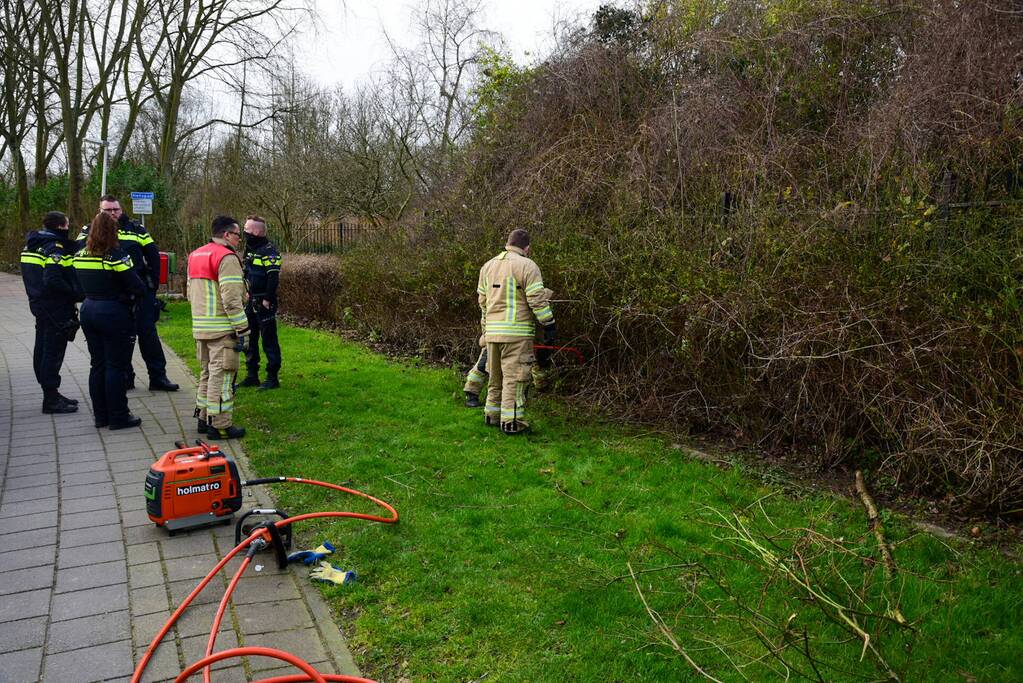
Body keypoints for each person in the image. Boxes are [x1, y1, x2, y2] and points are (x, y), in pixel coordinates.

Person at [78, 195, 178, 392]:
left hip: (139, 290)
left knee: (148, 334)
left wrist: (152, 287)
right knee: (121, 338)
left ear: (121, 209)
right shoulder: (89, 230)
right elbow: (79, 253)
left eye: (116, 209)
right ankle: (125, 377)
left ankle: (158, 377)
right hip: (112, 294)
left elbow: (153, 256)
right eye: (108, 210)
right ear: (100, 211)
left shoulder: (136, 229)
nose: (113, 213)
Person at [476, 229, 556, 434]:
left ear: (508, 243)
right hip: (517, 334)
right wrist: (549, 324)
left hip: (493, 333)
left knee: (495, 378)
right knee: (515, 378)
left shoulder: (488, 266)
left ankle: (491, 415)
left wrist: (485, 332)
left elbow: (483, 303)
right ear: (526, 247)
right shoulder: (528, 266)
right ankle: (512, 423)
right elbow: (537, 298)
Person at [73, 211, 146, 429]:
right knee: (116, 366)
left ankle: (100, 416)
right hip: (113, 312)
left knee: (97, 365)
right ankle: (119, 416)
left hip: (88, 310)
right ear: (113, 232)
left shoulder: (80, 255)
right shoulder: (115, 256)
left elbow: (78, 285)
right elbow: (137, 286)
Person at [187, 215, 249, 439]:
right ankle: (220, 425)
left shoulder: (195, 255)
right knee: (222, 377)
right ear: (226, 234)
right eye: (237, 235)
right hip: (222, 328)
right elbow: (231, 299)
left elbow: (189, 294)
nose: (239, 240)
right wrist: (243, 329)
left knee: (206, 374)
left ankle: (203, 419)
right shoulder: (227, 257)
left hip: (201, 327)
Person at [20, 211, 82, 414]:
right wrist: (75, 293)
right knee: (52, 352)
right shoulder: (54, 247)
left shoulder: (32, 244)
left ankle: (52, 394)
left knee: (42, 348)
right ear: (62, 226)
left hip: (39, 304)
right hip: (55, 307)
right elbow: (53, 278)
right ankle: (51, 398)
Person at [239, 215, 282, 390]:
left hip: (264, 301)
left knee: (269, 340)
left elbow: (273, 278)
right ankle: (252, 375)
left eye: (247, 229)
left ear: (257, 231)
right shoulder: (250, 249)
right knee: (250, 338)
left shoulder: (269, 251)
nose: (244, 232)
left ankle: (272, 377)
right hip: (251, 299)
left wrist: (267, 300)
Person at [463, 342, 550, 408]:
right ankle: (471, 393)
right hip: (493, 338)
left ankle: (517, 399)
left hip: (518, 341)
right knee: (482, 366)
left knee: (524, 369)